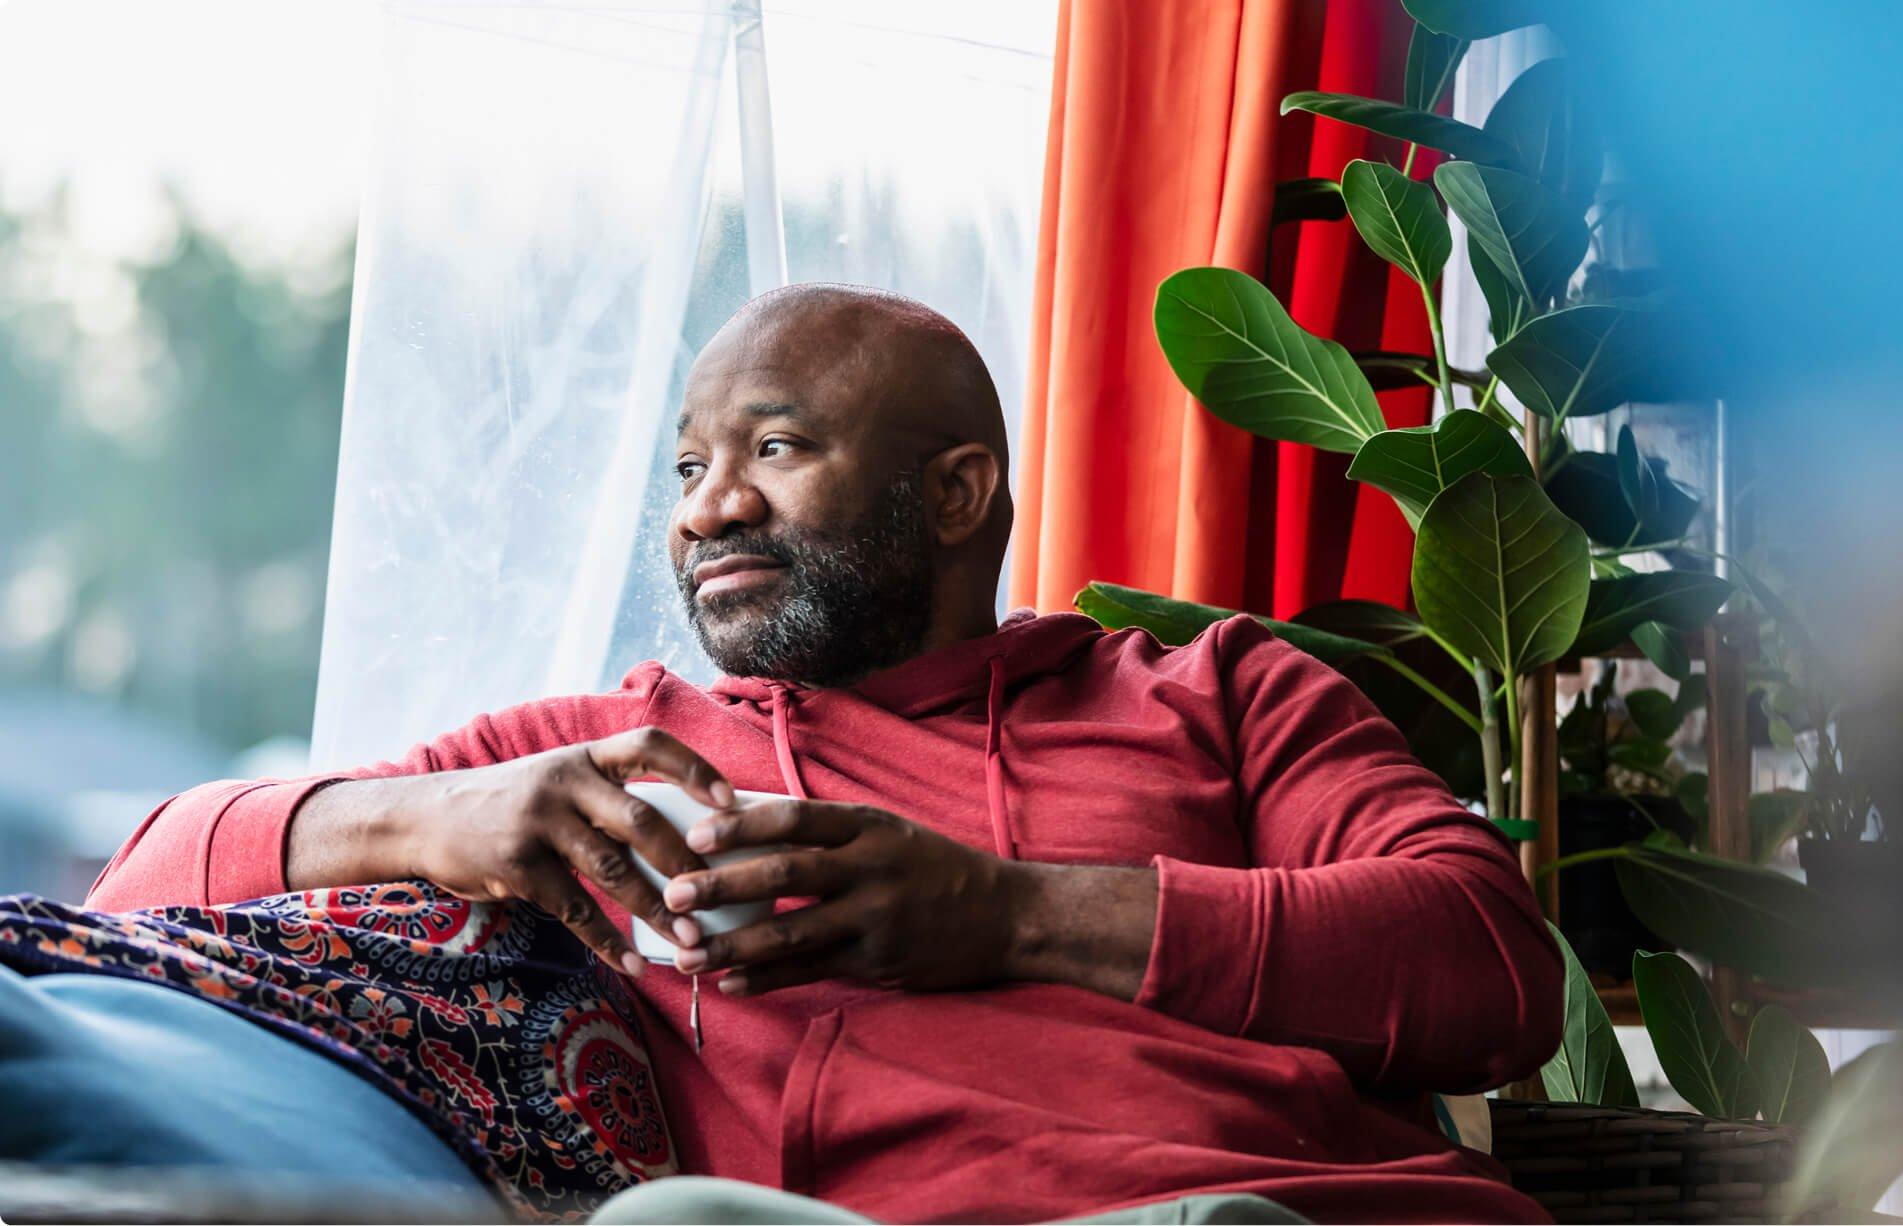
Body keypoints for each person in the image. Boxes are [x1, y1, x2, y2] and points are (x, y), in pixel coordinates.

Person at [87, 285, 1562, 1223]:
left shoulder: (1217, 690)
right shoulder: (612, 761)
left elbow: (1494, 969)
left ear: (956, 493)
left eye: (774, 450)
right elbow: (128, 893)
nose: (705, 508)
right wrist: (440, 816)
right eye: (688, 466)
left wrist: (1006, 913)